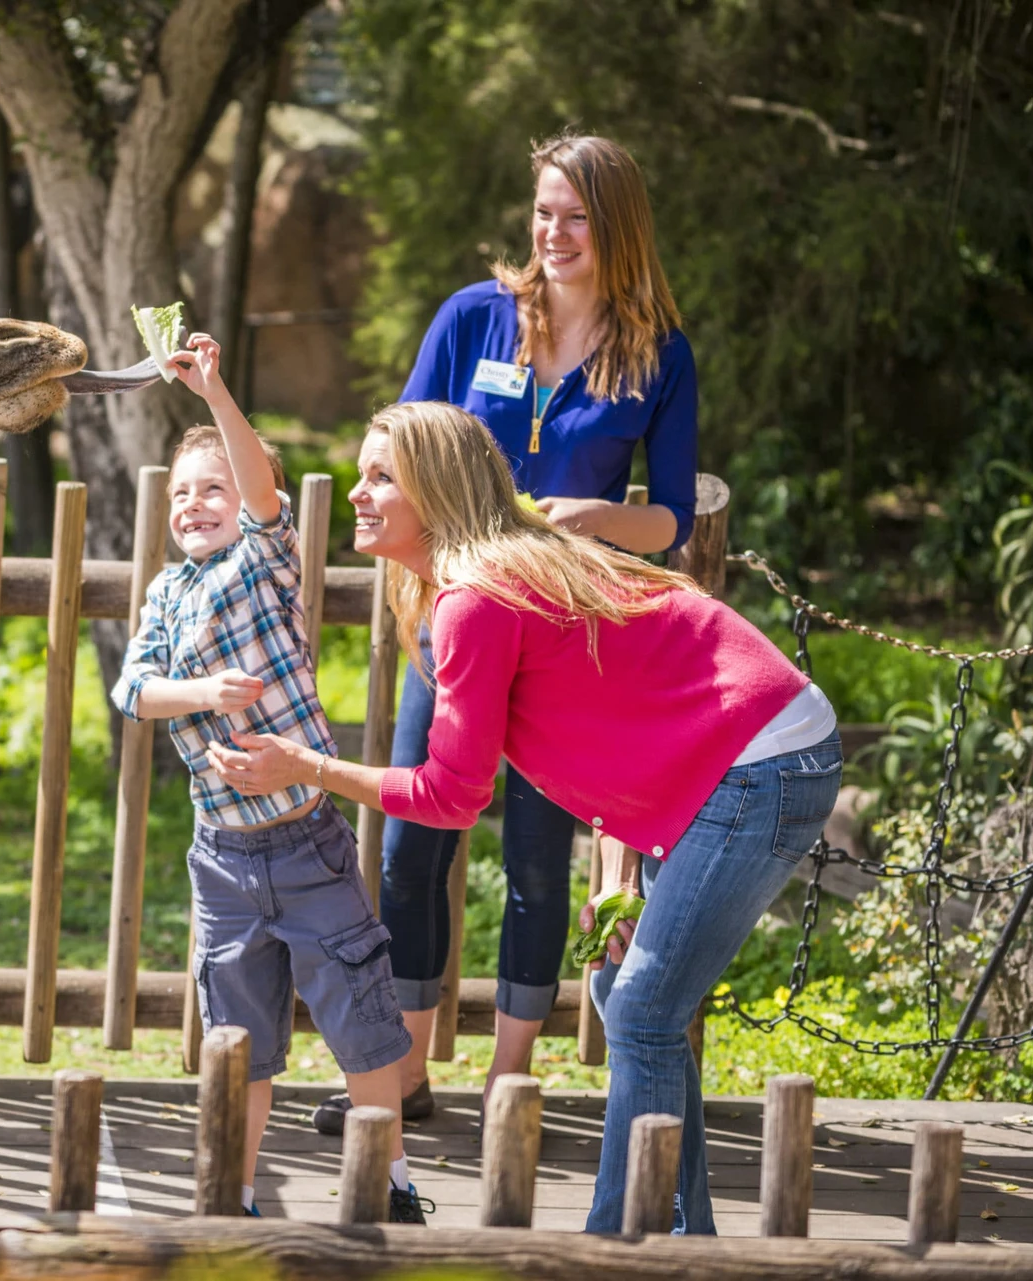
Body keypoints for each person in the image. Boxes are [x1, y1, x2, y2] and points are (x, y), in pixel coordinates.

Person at [205, 401, 841, 1234]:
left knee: (645, 1007)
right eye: (362, 473)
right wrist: (618, 878)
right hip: (737, 759)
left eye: (380, 476)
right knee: (626, 991)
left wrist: (308, 767)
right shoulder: (487, 577)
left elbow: (451, 795)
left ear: (438, 489)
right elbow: (628, 714)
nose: (358, 493)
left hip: (763, 760)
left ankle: (621, 1244)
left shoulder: (477, 597)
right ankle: (683, 1238)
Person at [313, 132, 699, 1136]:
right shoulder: (474, 318)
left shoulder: (658, 355)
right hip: (454, 624)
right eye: (544, 212)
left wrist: (594, 518)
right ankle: (400, 1069)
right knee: (412, 847)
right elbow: (402, 447)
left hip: (567, 640)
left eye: (577, 216)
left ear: (618, 225)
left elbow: (671, 521)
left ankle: (508, 1075)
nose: (555, 234)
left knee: (536, 859)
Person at [111, 333, 429, 1224]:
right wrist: (204, 691)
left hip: (307, 847)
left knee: (362, 1019)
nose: (195, 505)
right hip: (222, 861)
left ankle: (392, 1185)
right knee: (239, 1039)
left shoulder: (265, 562)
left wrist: (214, 394)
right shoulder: (168, 594)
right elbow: (134, 691)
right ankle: (237, 1195)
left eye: (211, 488)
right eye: (181, 493)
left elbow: (259, 494)